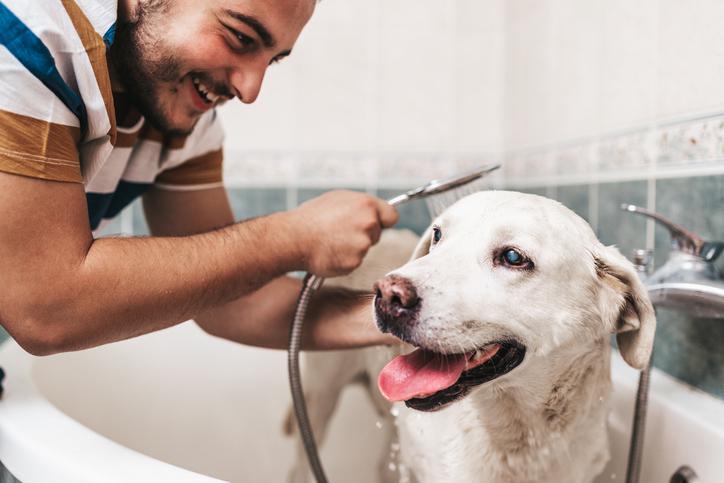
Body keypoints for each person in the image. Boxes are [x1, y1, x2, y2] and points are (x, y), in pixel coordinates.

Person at [0, 0, 399, 356]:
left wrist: (404, 316)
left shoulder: (179, 111)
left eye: (272, 59)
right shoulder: (24, 38)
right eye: (240, 37)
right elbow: (47, 309)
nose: (250, 89)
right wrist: (291, 238)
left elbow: (233, 302)